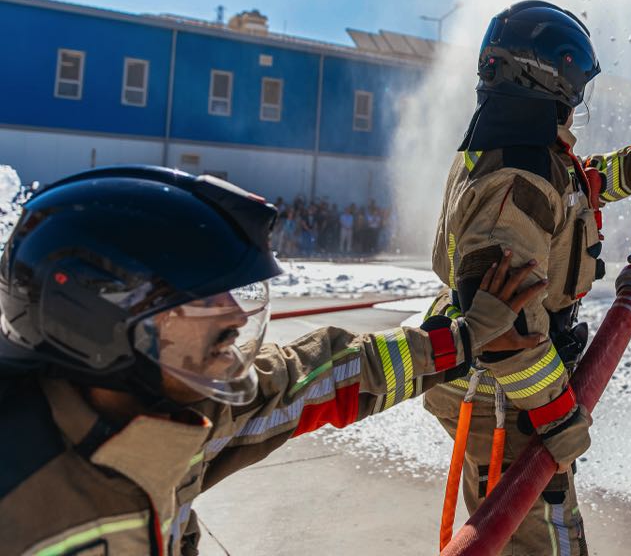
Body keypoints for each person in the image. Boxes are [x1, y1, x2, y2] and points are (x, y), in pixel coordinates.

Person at [0, 165, 544, 556]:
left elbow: (323, 375)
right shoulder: (22, 497)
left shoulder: (180, 415)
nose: (234, 319)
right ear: (98, 320)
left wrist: (465, 338)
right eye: (201, 299)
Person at [422, 0, 631, 555]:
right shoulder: (515, 181)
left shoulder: (531, 155)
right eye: (572, 89)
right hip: (503, 392)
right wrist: (555, 415)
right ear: (544, 80)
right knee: (542, 539)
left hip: (505, 383)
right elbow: (503, 334)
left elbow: (581, 184)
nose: (575, 104)